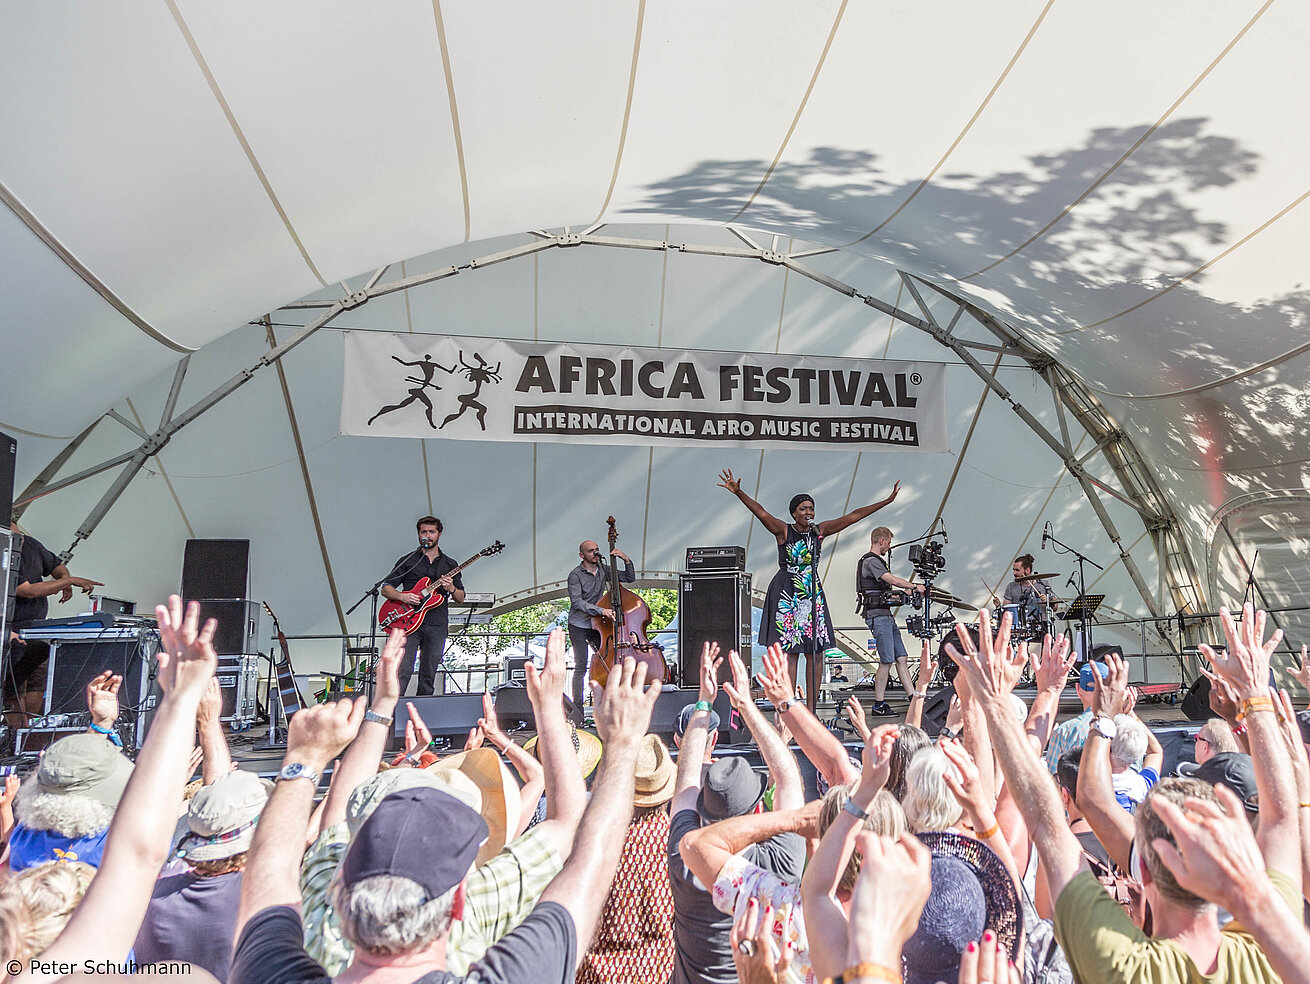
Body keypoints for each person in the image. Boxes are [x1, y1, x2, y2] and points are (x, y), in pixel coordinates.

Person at [228, 651, 663, 984]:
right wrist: (603, 735)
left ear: (339, 884)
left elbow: (271, 872)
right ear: (458, 902)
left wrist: (306, 758)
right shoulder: (483, 921)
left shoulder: (286, 957)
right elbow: (579, 843)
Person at [718, 469, 901, 711]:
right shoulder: (784, 530)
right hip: (788, 592)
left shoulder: (819, 531)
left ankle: (812, 711)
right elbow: (761, 513)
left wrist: (885, 502)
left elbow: (853, 516)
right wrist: (739, 493)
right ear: (794, 513)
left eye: (811, 509)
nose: (808, 512)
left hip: (811, 592)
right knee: (791, 653)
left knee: (816, 653)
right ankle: (789, 708)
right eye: (803, 509)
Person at [4, 522, 101, 714]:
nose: (20, 541)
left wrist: (63, 579)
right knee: (14, 688)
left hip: (37, 629)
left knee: (38, 681)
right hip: (12, 632)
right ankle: (16, 730)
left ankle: (30, 725)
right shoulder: (5, 557)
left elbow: (56, 566)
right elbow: (29, 591)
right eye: (15, 538)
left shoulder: (31, 544)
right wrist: (68, 581)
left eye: (20, 536)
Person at [379, 515, 464, 695]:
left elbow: (460, 597)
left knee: (429, 673)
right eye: (423, 532)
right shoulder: (408, 561)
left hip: (436, 623)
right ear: (418, 534)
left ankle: (422, 710)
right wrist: (403, 597)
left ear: (439, 534)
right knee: (402, 670)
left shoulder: (450, 564)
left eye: (431, 532)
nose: (427, 536)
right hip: (407, 622)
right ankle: (394, 708)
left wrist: (451, 587)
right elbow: (386, 588)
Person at [856, 526, 926, 716]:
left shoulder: (875, 562)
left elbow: (883, 593)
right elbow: (892, 580)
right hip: (878, 617)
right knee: (886, 661)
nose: (889, 547)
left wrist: (905, 593)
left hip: (885, 616)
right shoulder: (871, 561)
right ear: (882, 541)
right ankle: (878, 705)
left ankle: (913, 698)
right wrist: (914, 586)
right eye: (888, 543)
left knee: (901, 657)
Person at [566, 538, 635, 723]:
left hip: (597, 624)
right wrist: (601, 610)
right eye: (590, 551)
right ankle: (578, 712)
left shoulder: (604, 569)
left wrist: (626, 559)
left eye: (596, 549)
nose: (595, 553)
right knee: (581, 667)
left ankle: (609, 706)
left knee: (607, 662)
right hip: (579, 625)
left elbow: (629, 578)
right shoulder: (575, 575)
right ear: (582, 555)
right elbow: (577, 602)